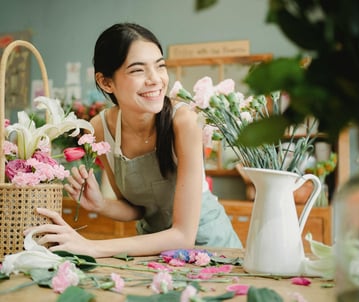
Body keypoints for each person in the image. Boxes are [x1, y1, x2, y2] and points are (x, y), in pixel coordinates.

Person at [26, 22, 242, 258]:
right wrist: (100, 204)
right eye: (138, 70)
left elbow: (183, 235)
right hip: (151, 254)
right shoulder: (101, 128)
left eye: (160, 66)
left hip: (210, 250)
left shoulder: (184, 122)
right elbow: (138, 210)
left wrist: (92, 246)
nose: (155, 79)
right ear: (106, 82)